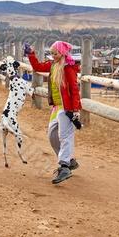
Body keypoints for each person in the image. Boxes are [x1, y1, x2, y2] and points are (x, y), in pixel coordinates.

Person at [25, 41, 81, 184]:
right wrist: (31, 54)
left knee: (64, 136)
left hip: (66, 108)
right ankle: (68, 160)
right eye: (52, 53)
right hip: (56, 107)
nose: (53, 56)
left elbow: (74, 89)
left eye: (55, 53)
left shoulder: (68, 69)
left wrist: (75, 110)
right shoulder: (53, 65)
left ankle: (64, 167)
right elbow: (37, 67)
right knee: (52, 135)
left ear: (62, 53)